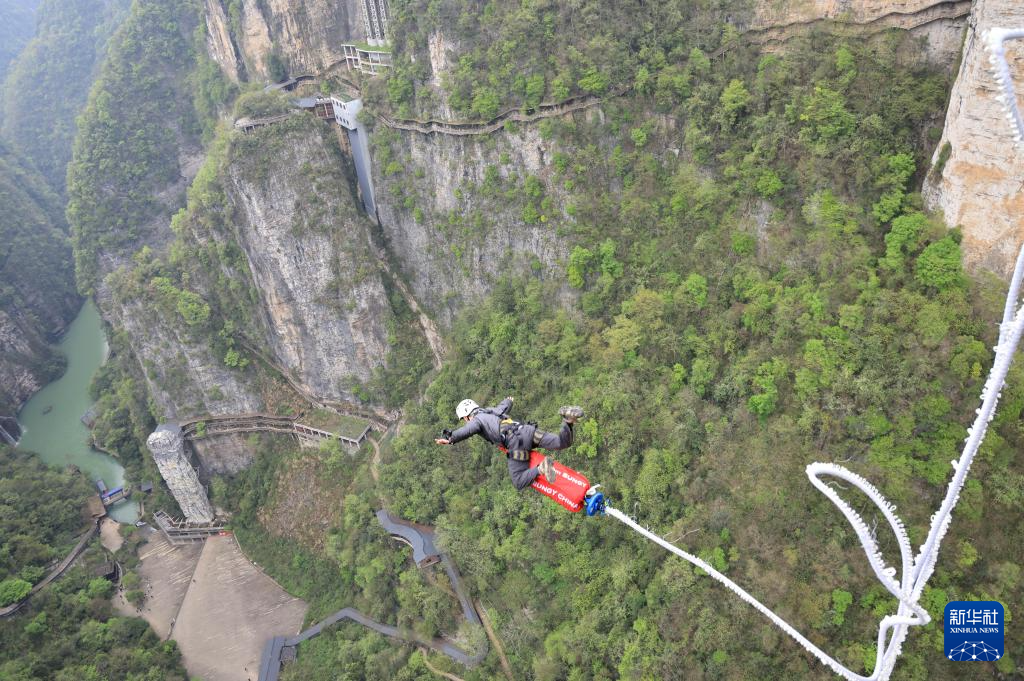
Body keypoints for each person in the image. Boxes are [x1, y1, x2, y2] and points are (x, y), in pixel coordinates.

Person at [435, 397, 584, 491]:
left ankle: (542, 468)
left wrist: (451, 438)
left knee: (518, 481)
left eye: (464, 419)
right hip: (527, 430)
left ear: (467, 416)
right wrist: (509, 400)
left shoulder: (476, 420)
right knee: (561, 442)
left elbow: (467, 430)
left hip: (516, 443)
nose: (465, 422)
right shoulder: (491, 411)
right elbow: (504, 406)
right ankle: (568, 420)